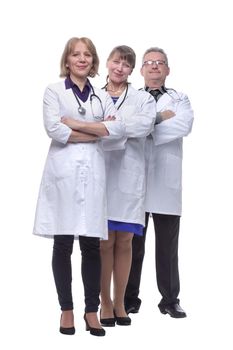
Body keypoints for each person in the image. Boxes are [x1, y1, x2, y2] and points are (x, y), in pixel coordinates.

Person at [33, 37, 125, 337]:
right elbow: (54, 129)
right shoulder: (54, 91)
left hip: (94, 174)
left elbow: (116, 130)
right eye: (76, 54)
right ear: (67, 60)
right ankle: (67, 310)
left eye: (87, 55)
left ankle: (91, 311)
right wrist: (94, 131)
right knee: (62, 244)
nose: (82, 59)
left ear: (93, 61)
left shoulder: (102, 97)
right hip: (63, 174)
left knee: (90, 246)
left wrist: (76, 124)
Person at [125, 47, 194, 318]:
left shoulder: (180, 99)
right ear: (141, 70)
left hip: (166, 183)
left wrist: (146, 128)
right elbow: (127, 127)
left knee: (168, 247)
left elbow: (184, 126)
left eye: (160, 63)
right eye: (149, 63)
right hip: (134, 183)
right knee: (132, 246)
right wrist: (156, 124)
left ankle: (169, 300)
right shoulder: (132, 98)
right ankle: (129, 298)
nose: (154, 67)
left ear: (167, 70)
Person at [99, 46, 156, 327]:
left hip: (130, 176)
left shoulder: (142, 98)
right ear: (108, 63)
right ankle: (105, 303)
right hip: (101, 174)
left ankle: (120, 301)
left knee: (124, 242)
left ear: (132, 70)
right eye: (116, 62)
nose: (120, 68)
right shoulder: (95, 96)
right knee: (104, 242)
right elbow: (89, 127)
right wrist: (108, 127)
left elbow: (143, 127)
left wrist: (109, 126)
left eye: (126, 64)